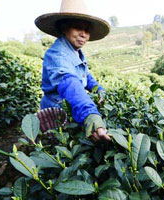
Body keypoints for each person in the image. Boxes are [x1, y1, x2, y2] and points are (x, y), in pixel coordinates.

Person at [35, 0, 111, 142]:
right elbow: (69, 83)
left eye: (87, 29)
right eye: (77, 27)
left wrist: (98, 88)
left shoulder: (77, 52)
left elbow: (85, 75)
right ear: (64, 28)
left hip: (72, 109)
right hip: (55, 117)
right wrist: (90, 115)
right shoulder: (57, 54)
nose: (83, 34)